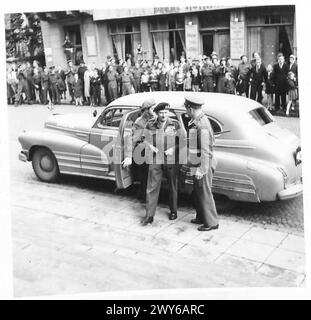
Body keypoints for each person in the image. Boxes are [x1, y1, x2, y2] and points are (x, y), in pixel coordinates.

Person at [141, 102, 181, 225]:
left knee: (173, 186)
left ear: (168, 113)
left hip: (170, 160)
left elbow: (182, 141)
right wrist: (150, 146)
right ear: (157, 113)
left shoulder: (175, 124)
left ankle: (173, 211)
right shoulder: (150, 124)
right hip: (155, 159)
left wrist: (173, 149)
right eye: (161, 113)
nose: (163, 115)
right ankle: (149, 215)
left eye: (165, 112)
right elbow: (144, 138)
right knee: (152, 186)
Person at [184, 96, 219, 231]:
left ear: (191, 109)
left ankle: (211, 222)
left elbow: (205, 151)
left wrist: (202, 169)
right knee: (198, 191)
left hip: (202, 164)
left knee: (204, 192)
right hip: (196, 162)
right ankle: (201, 216)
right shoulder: (197, 121)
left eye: (186, 109)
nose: (186, 111)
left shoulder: (202, 125)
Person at [122, 98, 157, 201]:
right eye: (152, 109)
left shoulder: (155, 118)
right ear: (146, 110)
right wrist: (128, 157)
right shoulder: (139, 122)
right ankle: (144, 196)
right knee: (145, 177)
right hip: (142, 153)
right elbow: (131, 140)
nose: (154, 111)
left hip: (154, 151)